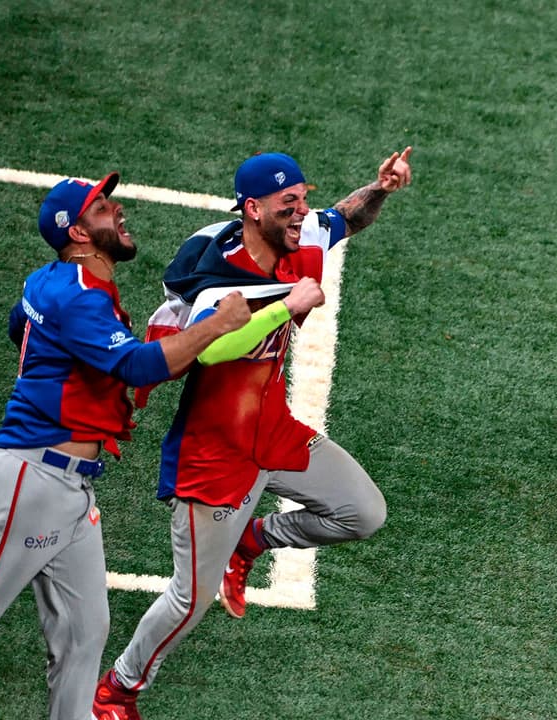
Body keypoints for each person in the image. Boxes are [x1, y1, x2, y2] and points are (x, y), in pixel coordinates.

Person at [93, 148, 412, 719]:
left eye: (303, 199)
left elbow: (346, 216)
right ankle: (118, 687)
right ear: (253, 209)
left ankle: (254, 539)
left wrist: (382, 187)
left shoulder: (304, 235)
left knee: (363, 512)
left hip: (274, 430)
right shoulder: (216, 277)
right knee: (190, 599)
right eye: (289, 203)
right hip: (214, 453)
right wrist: (283, 306)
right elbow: (211, 351)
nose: (302, 212)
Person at [0, 173, 249, 718]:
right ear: (79, 232)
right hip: (30, 480)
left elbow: (24, 328)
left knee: (85, 634)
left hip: (67, 488)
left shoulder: (51, 282)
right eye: (104, 207)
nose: (119, 210)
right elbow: (133, 365)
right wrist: (217, 325)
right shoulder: (79, 295)